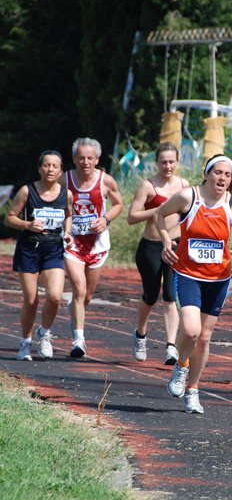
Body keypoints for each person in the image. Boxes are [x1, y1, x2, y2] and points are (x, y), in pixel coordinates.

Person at [155, 153, 232, 414]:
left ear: (231, 180)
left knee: (205, 338)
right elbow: (159, 216)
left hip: (219, 279)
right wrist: (165, 241)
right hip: (187, 274)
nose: (222, 178)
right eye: (218, 172)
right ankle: (181, 367)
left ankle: (193, 392)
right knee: (191, 331)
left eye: (227, 175)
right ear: (207, 173)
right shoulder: (189, 197)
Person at [5, 150, 73, 360]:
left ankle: (44, 333)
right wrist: (27, 224)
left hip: (53, 249)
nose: (50, 169)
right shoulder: (27, 191)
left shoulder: (66, 194)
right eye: (46, 165)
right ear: (39, 168)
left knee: (54, 297)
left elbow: (69, 215)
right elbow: (9, 218)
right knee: (31, 301)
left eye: (55, 166)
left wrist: (68, 232)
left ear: (61, 170)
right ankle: (25, 343)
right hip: (29, 249)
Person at [59, 137, 123, 357]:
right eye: (81, 158)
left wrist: (105, 219)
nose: (85, 162)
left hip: (97, 246)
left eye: (90, 158)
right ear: (75, 159)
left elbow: (119, 204)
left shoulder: (106, 181)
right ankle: (79, 341)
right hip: (72, 243)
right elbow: (50, 199)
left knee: (87, 296)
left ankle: (75, 311)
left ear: (97, 159)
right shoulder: (64, 180)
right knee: (79, 289)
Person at [127, 142, 189, 364]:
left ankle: (171, 346)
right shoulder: (148, 186)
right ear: (156, 162)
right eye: (163, 162)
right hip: (151, 247)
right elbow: (131, 217)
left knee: (171, 297)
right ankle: (140, 334)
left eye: (172, 161)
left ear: (177, 162)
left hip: (176, 246)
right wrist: (159, 210)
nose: (168, 166)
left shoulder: (184, 186)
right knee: (151, 296)